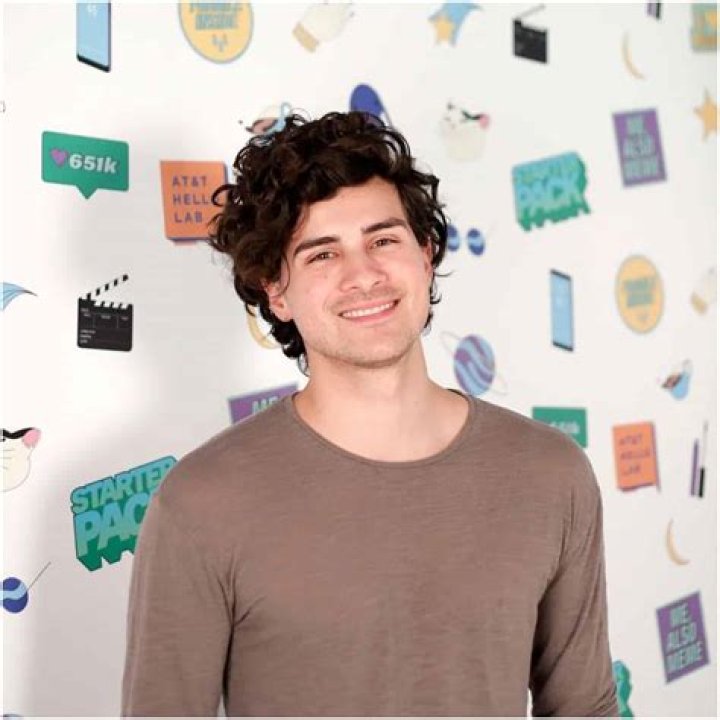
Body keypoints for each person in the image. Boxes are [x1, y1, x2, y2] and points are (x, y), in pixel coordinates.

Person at [121, 111, 618, 717]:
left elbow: (584, 707)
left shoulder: (551, 474)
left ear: (426, 255)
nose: (363, 276)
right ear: (275, 291)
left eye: (383, 240)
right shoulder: (201, 503)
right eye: (322, 255)